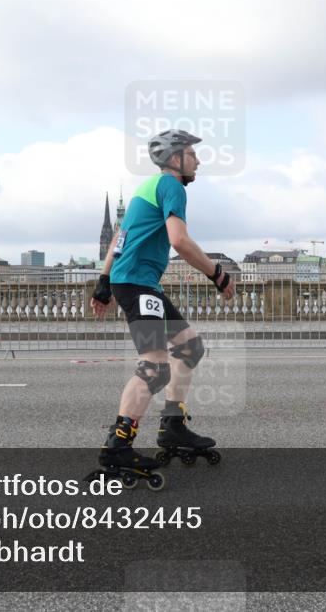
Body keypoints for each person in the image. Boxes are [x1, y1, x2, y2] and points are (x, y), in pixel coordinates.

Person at [90, 129, 236, 474]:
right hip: (138, 284)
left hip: (135, 283)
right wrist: (218, 274)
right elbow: (180, 241)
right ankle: (118, 445)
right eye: (192, 154)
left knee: (189, 348)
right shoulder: (170, 186)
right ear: (175, 159)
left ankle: (172, 425)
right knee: (155, 363)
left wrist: (103, 282)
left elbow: (118, 241)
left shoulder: (145, 188)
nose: (198, 160)